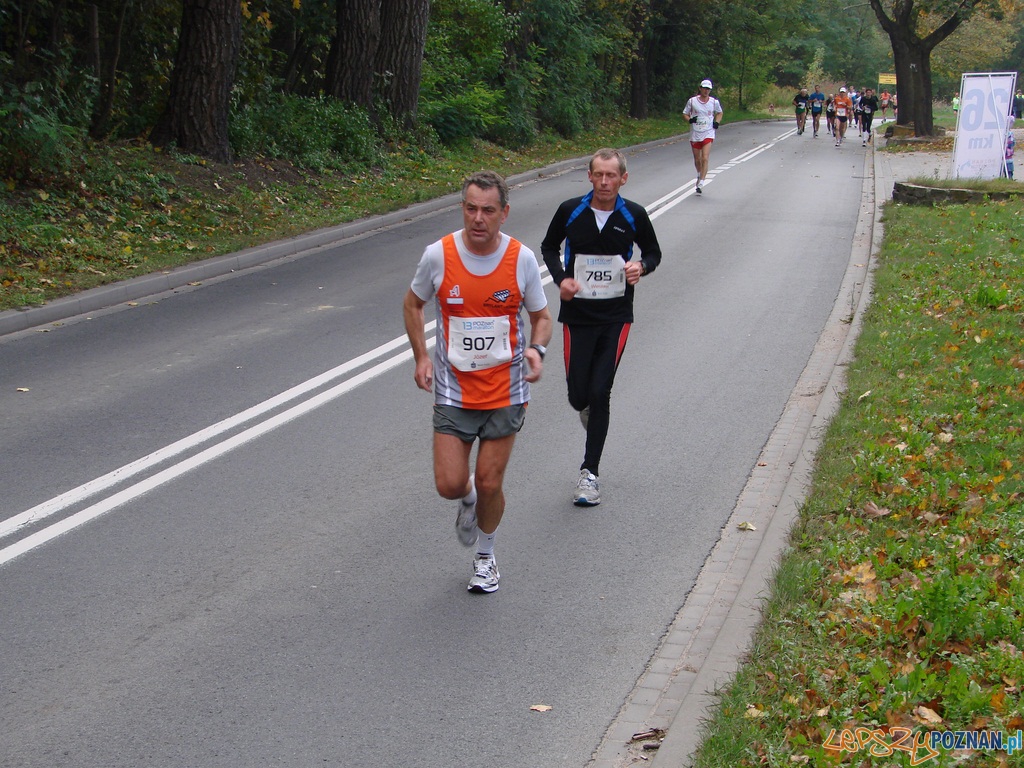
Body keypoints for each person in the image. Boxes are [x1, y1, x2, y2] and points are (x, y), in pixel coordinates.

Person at [403, 170, 553, 594]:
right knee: (450, 484)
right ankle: (467, 500)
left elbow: (542, 317)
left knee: (490, 481)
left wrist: (536, 351)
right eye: (470, 208)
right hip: (454, 391)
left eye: (488, 210)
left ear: (504, 213)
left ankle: (486, 558)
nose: (478, 218)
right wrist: (421, 356)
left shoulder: (521, 259)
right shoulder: (438, 255)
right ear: (462, 209)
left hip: (506, 389)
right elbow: (413, 304)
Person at [540, 148, 662, 507]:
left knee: (599, 391)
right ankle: (591, 414)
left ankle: (589, 473)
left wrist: (641, 267)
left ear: (623, 179)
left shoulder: (633, 214)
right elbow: (548, 247)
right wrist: (561, 279)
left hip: (615, 315)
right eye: (599, 174)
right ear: (590, 176)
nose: (605, 182)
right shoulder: (570, 210)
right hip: (577, 314)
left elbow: (653, 252)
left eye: (612, 175)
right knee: (578, 396)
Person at [682, 79, 723, 194]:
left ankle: (702, 181)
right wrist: (690, 120)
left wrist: (717, 122)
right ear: (700, 88)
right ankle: (699, 174)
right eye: (704, 88)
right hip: (695, 133)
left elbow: (720, 112)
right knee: (697, 159)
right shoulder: (692, 101)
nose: (706, 91)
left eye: (708, 89)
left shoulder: (714, 102)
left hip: (708, 132)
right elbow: (685, 114)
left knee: (705, 157)